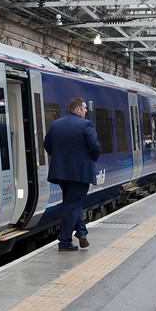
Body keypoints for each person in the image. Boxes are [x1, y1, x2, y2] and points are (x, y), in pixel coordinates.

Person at [43, 97, 101, 251]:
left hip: (61, 173)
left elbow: (46, 144)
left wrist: (58, 159)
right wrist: (91, 159)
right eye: (84, 109)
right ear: (78, 110)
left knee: (72, 204)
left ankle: (82, 233)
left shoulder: (56, 124)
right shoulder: (86, 125)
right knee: (72, 205)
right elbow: (95, 147)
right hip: (80, 173)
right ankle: (64, 241)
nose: (86, 112)